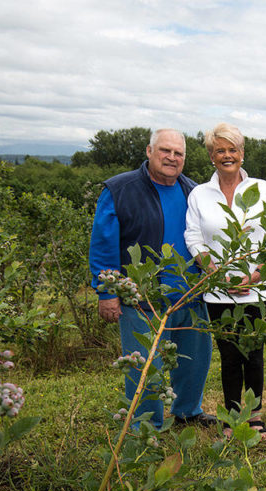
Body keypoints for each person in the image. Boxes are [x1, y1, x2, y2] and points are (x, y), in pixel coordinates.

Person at [88, 129, 216, 429]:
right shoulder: (120, 189)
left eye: (179, 153)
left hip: (190, 295)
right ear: (149, 151)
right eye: (165, 151)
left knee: (193, 360)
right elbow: (103, 243)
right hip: (143, 300)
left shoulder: (192, 191)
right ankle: (146, 426)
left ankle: (188, 411)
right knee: (144, 366)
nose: (172, 158)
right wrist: (107, 293)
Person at [185, 123, 266, 439]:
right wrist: (213, 273)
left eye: (232, 149)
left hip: (258, 289)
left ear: (242, 153)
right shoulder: (199, 194)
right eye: (220, 150)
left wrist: (256, 274)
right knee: (228, 354)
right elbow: (193, 236)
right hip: (218, 291)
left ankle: (255, 418)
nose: (227, 155)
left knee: (253, 353)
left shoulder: (262, 189)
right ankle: (230, 418)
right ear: (211, 156)